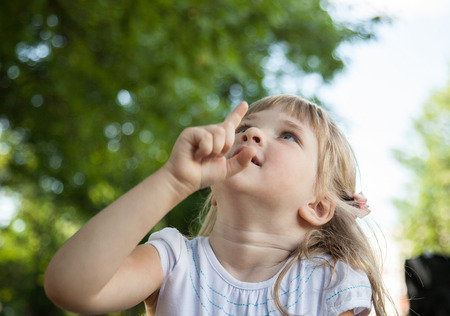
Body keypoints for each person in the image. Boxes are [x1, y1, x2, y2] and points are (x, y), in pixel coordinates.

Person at [44, 95, 395, 315]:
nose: (251, 135)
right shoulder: (173, 261)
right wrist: (173, 181)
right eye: (246, 127)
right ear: (214, 192)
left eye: (288, 135)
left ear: (318, 206)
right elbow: (70, 288)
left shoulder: (330, 282)